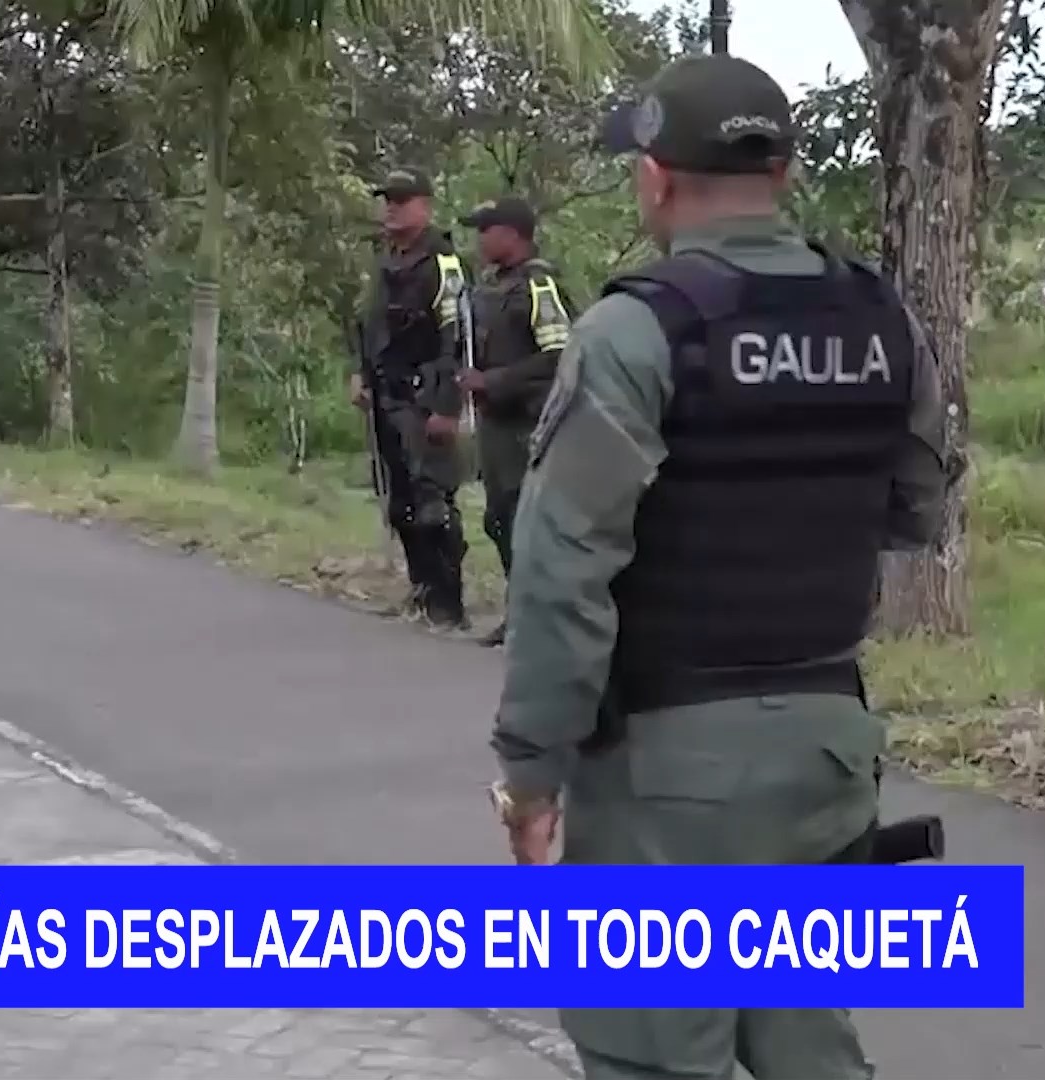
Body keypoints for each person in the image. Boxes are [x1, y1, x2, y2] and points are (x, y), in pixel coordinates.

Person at [487, 55, 952, 1080]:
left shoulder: (635, 330)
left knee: (654, 1052)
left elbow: (563, 575)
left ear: (655, 178)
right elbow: (915, 508)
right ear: (781, 172)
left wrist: (531, 772)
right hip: (827, 751)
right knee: (805, 1043)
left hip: (666, 769)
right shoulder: (883, 321)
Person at [351, 166, 471, 629]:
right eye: (387, 201)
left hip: (425, 398)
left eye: (401, 201)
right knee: (399, 501)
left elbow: (457, 338)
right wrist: (361, 374)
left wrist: (447, 407)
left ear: (425, 206)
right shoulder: (386, 261)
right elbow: (370, 325)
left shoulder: (444, 263)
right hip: (386, 395)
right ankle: (422, 590)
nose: (391, 209)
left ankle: (449, 604)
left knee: (432, 502)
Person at [455, 196, 573, 646]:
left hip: (531, 426)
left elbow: (561, 354)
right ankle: (520, 612)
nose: (479, 239)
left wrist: (493, 380)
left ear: (511, 234)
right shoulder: (491, 288)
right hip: (497, 427)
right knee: (500, 520)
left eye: (486, 230)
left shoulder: (539, 286)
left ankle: (545, 622)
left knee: (532, 524)